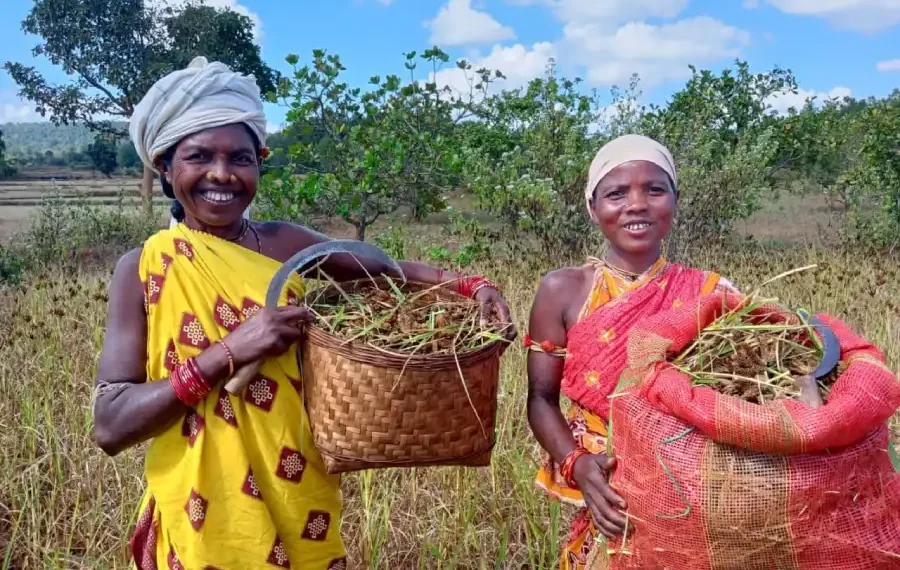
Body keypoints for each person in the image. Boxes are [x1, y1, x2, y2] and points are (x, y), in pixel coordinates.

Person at [91, 57, 516, 570]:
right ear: (164, 165)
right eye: (198, 156)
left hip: (296, 492)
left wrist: (475, 286)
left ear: (260, 161)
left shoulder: (283, 243)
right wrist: (230, 351)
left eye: (241, 159)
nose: (221, 175)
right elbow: (111, 425)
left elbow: (387, 270)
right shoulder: (142, 268)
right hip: (200, 515)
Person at [524, 134, 738, 569]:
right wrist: (578, 465)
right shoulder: (562, 291)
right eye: (616, 193)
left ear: (675, 201)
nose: (636, 204)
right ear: (592, 207)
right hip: (607, 486)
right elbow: (540, 400)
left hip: (690, 483)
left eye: (654, 190)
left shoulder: (711, 293)